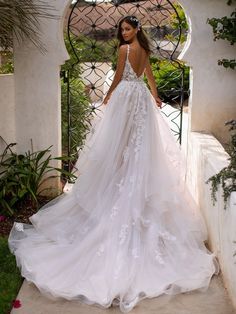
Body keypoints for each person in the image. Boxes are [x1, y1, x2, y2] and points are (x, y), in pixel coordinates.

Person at [8, 15, 219, 313]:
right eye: (122, 29)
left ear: (136, 30)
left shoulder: (125, 50)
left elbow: (119, 76)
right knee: (140, 149)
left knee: (119, 148)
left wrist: (106, 99)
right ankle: (131, 188)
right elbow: (149, 76)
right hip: (142, 102)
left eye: (127, 29)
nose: (123, 33)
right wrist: (155, 98)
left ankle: (118, 186)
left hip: (125, 100)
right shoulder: (145, 49)